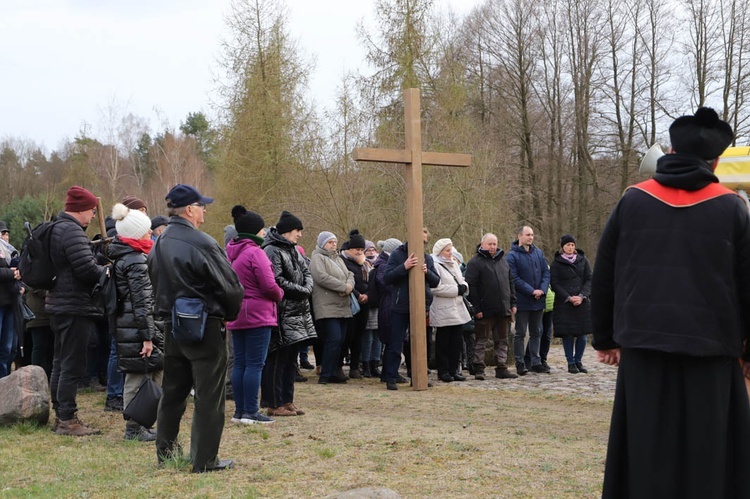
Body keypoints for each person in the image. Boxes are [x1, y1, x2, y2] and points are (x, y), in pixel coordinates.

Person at [592, 107, 750, 497]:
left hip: (645, 349)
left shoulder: (632, 201)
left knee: (647, 448)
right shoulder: (732, 207)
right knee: (709, 454)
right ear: (715, 159)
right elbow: (747, 285)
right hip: (711, 352)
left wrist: (605, 339)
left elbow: (605, 272)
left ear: (672, 151)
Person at [148, 184, 243, 473]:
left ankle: (166, 453)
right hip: (205, 327)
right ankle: (204, 460)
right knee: (209, 396)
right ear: (190, 209)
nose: (204, 211)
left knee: (173, 392)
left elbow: (154, 280)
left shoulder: (159, 243)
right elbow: (230, 287)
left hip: (172, 326)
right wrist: (226, 315)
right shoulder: (201, 242)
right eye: (202, 206)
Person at [46, 186, 107, 436]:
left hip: (59, 303)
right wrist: (105, 271)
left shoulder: (56, 229)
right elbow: (87, 270)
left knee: (60, 361)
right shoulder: (72, 232)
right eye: (92, 211)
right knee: (71, 363)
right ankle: (67, 420)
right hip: (72, 305)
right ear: (81, 210)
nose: (93, 216)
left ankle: (60, 412)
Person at [107, 203, 164, 441]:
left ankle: (141, 424)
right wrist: (148, 337)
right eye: (146, 230)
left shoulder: (132, 256)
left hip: (133, 325)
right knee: (138, 376)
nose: (150, 233)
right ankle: (134, 428)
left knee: (147, 373)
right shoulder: (136, 261)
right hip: (138, 327)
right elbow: (142, 302)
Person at [226, 206, 283, 425]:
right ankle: (250, 410)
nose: (264, 233)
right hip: (258, 315)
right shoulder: (255, 253)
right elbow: (269, 285)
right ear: (253, 231)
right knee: (254, 364)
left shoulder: (232, 252)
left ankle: (240, 411)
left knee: (240, 363)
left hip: (237, 313)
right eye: (261, 230)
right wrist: (280, 293)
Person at [260, 211, 316, 416]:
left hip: (298, 312)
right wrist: (302, 291)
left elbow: (307, 271)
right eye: (296, 230)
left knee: (291, 360)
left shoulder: (294, 250)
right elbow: (276, 279)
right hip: (282, 313)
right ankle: (274, 403)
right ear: (286, 231)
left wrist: (307, 287)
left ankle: (287, 399)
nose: (299, 234)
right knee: (277, 360)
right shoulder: (272, 250)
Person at [383, 230, 440, 390]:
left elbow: (436, 282)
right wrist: (405, 266)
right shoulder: (397, 254)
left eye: (424, 242)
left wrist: (427, 272)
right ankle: (391, 377)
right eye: (419, 240)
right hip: (400, 306)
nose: (422, 244)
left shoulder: (427, 258)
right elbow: (387, 278)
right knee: (396, 343)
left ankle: (418, 376)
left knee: (418, 343)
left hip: (420, 307)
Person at [464, 233, 518, 380]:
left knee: (502, 340)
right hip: (484, 310)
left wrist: (513, 303)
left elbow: (510, 282)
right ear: (482, 244)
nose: (493, 247)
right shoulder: (475, 262)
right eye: (490, 244)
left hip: (503, 308)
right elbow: (471, 287)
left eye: (495, 244)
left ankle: (502, 367)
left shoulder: (503, 261)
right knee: (481, 340)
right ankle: (479, 368)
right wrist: (476, 308)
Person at [310, 231, 354, 385]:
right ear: (322, 243)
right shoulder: (317, 258)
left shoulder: (338, 259)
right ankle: (325, 373)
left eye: (335, 242)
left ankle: (335, 370)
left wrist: (349, 285)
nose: (333, 244)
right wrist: (343, 287)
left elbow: (350, 274)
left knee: (341, 340)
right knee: (333, 339)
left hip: (342, 305)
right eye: (330, 242)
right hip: (327, 306)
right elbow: (321, 277)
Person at [505, 226, 550, 375]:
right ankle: (520, 363)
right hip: (522, 300)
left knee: (537, 331)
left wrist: (542, 290)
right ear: (519, 236)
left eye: (532, 234)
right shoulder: (512, 256)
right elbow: (514, 278)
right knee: (520, 333)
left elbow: (545, 273)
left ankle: (535, 362)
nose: (530, 237)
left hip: (538, 300)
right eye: (527, 234)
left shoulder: (538, 253)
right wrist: (531, 291)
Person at [430, 238, 471, 382]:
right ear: (440, 251)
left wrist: (464, 286)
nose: (450, 253)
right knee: (443, 341)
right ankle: (443, 370)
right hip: (443, 307)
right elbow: (435, 287)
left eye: (451, 249)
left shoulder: (454, 263)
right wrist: (456, 290)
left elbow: (461, 279)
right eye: (447, 250)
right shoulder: (435, 265)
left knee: (456, 341)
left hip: (457, 307)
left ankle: (454, 370)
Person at [549, 234, 591, 374]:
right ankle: (570, 362)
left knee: (582, 334)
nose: (570, 247)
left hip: (582, 302)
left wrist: (581, 296)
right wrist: (568, 297)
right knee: (567, 334)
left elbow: (589, 279)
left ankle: (578, 360)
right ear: (562, 247)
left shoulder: (583, 261)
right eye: (567, 245)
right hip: (564, 303)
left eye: (572, 245)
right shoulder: (556, 263)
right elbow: (554, 283)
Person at [338, 229, 369, 379]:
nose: (360, 252)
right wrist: (358, 295)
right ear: (349, 249)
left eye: (362, 250)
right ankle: (338, 366)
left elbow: (367, 282)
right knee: (347, 335)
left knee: (359, 336)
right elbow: (346, 281)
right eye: (357, 249)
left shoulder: (363, 264)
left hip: (364, 304)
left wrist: (367, 295)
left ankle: (355, 367)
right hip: (349, 303)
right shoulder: (342, 261)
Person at [0, 220, 21, 378]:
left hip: (10, 302)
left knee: (8, 348)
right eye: (2, 233)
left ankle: (5, 383)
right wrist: (11, 273)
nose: (5, 236)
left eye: (6, 233)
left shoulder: (9, 251)